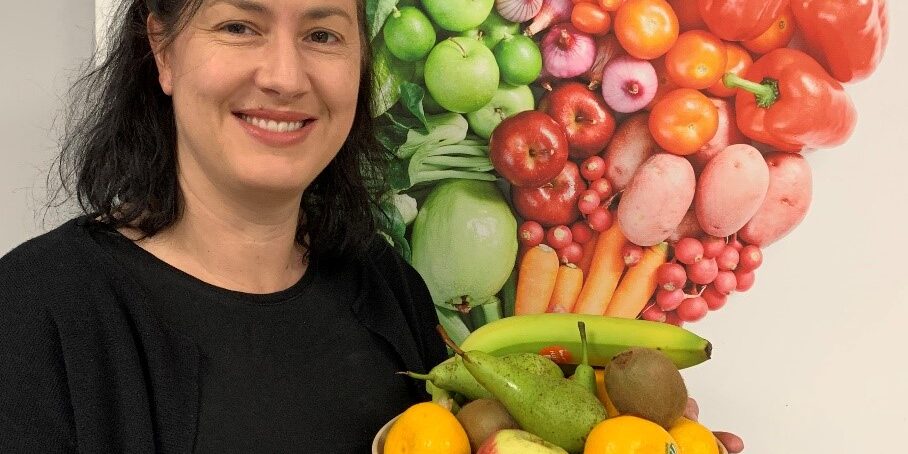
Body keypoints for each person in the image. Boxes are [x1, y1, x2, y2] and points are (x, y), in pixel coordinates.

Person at [0, 0, 743, 452]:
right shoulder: (41, 308)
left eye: (323, 34)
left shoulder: (384, 286)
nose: (285, 76)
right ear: (162, 51)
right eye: (239, 26)